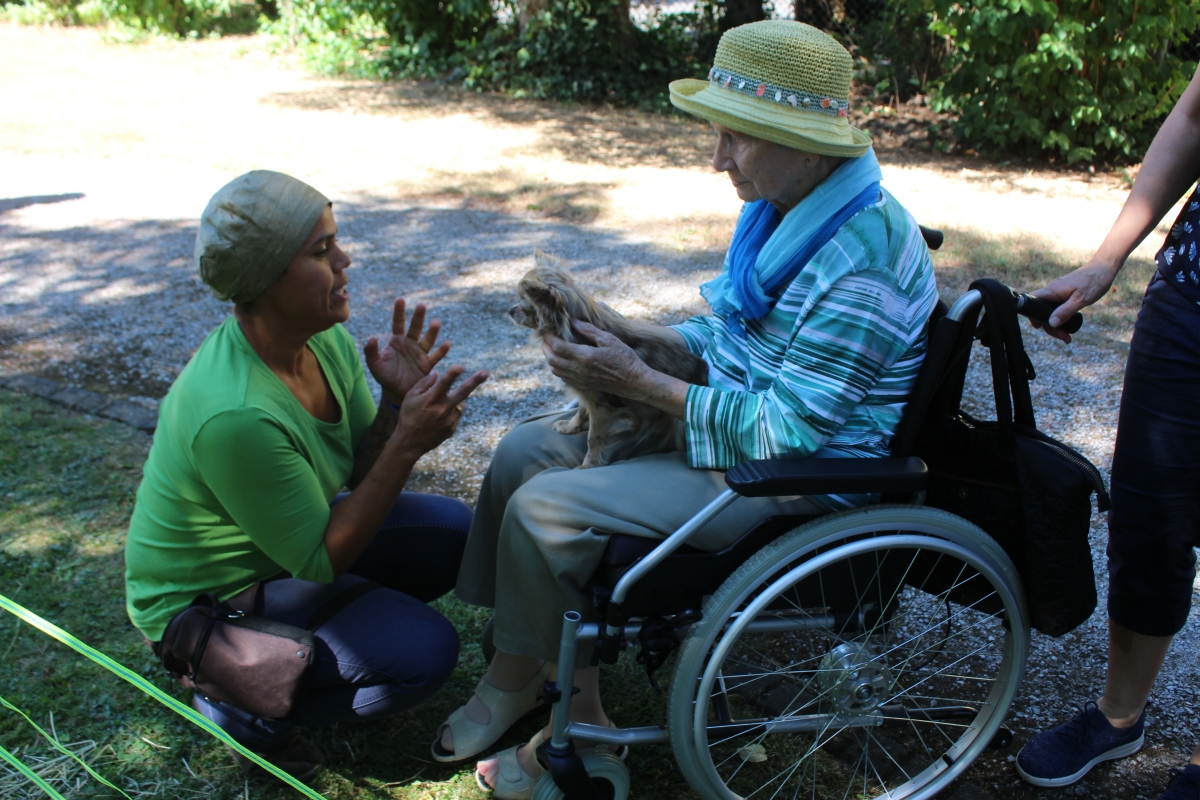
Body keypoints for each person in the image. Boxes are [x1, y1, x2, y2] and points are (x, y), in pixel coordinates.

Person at [434, 21, 940, 799]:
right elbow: (730, 334)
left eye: (736, 139)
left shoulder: (862, 260)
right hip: (744, 430)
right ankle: (518, 674)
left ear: (803, 142)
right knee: (519, 454)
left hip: (799, 473)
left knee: (548, 509)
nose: (716, 158)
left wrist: (638, 380)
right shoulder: (789, 206)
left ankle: (586, 724)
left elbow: (792, 429)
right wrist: (634, 335)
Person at [123, 170, 488, 781]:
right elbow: (320, 558)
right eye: (321, 251)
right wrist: (406, 446)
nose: (345, 261)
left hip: (278, 557)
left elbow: (355, 472)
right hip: (208, 602)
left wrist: (396, 411)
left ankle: (325, 631)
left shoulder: (323, 341)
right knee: (423, 654)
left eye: (335, 240)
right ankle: (233, 698)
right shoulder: (235, 413)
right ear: (265, 280)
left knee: (453, 532)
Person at [1015, 67, 1200, 800]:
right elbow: (1192, 119)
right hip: (1192, 295)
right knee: (1149, 518)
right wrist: (1106, 259)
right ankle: (1119, 715)